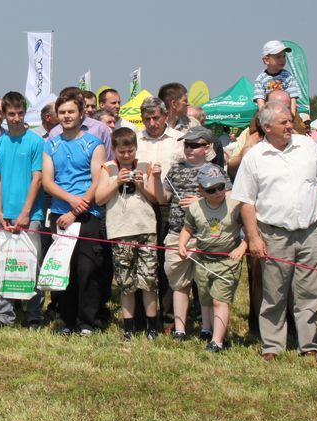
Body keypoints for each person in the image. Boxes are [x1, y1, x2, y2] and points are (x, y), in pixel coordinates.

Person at [231, 102, 317, 363]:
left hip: (311, 232)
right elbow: (246, 201)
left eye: (290, 121)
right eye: (284, 122)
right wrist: (254, 237)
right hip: (273, 234)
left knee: (309, 293)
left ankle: (309, 345)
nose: (290, 125)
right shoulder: (255, 157)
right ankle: (272, 346)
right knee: (274, 292)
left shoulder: (308, 146)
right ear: (267, 127)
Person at [43, 88, 106, 336]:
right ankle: (67, 320)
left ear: (81, 114)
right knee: (64, 270)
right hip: (60, 213)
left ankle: (86, 322)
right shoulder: (51, 144)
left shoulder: (94, 143)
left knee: (87, 269)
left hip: (88, 214)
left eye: (71, 111)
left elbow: (97, 179)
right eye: (62, 112)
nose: (67, 116)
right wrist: (70, 201)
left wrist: (81, 205)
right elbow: (48, 181)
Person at [156, 127, 229, 341]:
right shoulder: (176, 170)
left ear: (207, 148)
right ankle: (180, 328)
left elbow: (228, 198)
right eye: (186, 145)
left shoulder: (216, 171)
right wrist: (154, 179)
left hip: (206, 235)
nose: (189, 149)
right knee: (179, 284)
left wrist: (201, 202)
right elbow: (164, 198)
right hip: (178, 233)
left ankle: (207, 328)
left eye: (194, 145)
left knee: (205, 284)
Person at [0, 91, 45, 329]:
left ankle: (34, 315)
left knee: (32, 265)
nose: (16, 118)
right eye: (12, 114)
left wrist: (26, 212)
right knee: (5, 265)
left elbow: (37, 178)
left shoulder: (36, 142)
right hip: (4, 214)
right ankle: (4, 316)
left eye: (20, 113)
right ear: (4, 115)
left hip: (31, 214)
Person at [94, 127, 160, 341]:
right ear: (114, 150)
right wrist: (117, 181)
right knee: (126, 282)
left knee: (149, 280)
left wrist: (141, 184)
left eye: (130, 151)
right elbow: (99, 199)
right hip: (121, 231)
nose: (126, 156)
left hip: (146, 228)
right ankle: (128, 328)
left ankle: (152, 326)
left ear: (135, 149)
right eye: (122, 152)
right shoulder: (108, 168)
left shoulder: (144, 166)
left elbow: (155, 198)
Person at [178, 165, 248, 352]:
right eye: (211, 190)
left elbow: (250, 231)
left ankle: (217, 341)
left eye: (221, 187)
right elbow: (188, 229)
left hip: (227, 260)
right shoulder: (195, 208)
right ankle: (207, 329)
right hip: (203, 259)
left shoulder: (235, 205)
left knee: (220, 300)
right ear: (200, 190)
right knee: (206, 298)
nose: (218, 192)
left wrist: (242, 247)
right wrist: (182, 244)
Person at [135, 96, 185, 330]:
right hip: (141, 204)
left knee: (167, 262)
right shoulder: (136, 139)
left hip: (169, 206)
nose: (152, 123)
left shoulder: (178, 140)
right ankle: (142, 317)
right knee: (142, 260)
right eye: (147, 119)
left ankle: (169, 318)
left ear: (165, 116)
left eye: (156, 118)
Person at [253, 40, 300, 116]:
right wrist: (263, 116)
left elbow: (293, 97)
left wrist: (292, 115)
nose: (282, 60)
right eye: (278, 57)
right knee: (254, 126)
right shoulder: (260, 79)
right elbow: (260, 99)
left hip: (287, 111)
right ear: (266, 60)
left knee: (299, 127)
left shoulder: (288, 76)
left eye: (284, 56)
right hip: (268, 112)